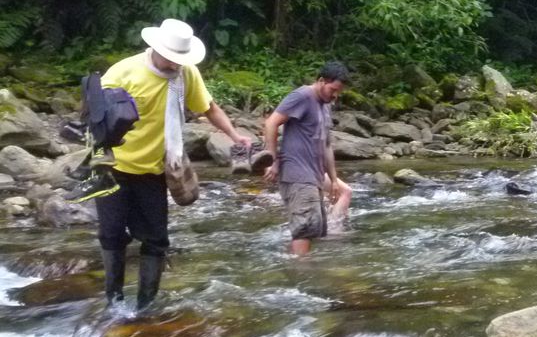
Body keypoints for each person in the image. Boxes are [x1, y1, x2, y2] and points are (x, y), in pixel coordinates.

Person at [97, 18, 252, 309]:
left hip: (155, 170)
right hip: (113, 166)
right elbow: (94, 113)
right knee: (112, 234)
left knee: (156, 240)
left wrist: (234, 135)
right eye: (173, 59)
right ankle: (113, 301)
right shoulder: (123, 71)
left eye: (182, 59)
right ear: (157, 49)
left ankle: (145, 306)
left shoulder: (186, 75)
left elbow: (208, 107)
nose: (177, 64)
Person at [263, 62, 353, 255]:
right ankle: (302, 274)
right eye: (333, 90)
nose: (335, 95)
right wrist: (272, 161)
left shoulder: (326, 105)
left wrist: (334, 180)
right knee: (304, 230)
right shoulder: (302, 96)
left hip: (315, 177)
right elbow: (271, 123)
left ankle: (295, 266)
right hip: (297, 175)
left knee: (314, 229)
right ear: (321, 81)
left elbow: (326, 144)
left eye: (339, 92)